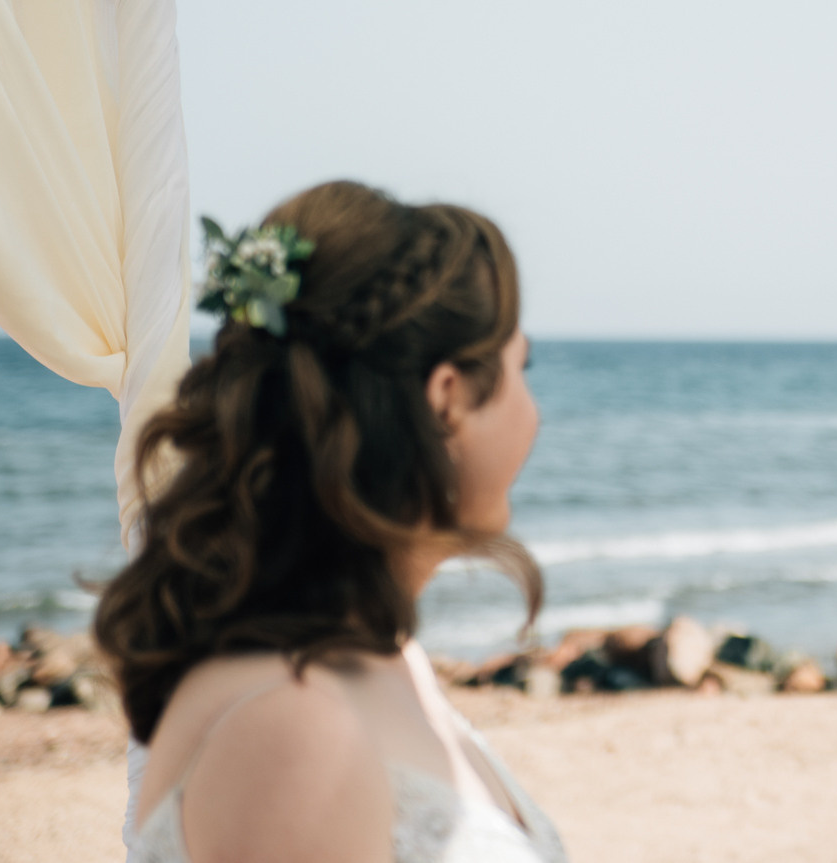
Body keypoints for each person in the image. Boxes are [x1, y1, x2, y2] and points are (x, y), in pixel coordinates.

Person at [95, 182, 567, 863]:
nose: (536, 414)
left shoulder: (384, 659)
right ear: (447, 399)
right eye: (522, 367)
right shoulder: (290, 736)